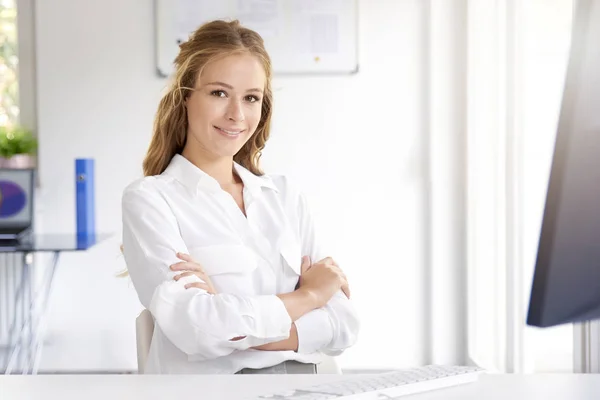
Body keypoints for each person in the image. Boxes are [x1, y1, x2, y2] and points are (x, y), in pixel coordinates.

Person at [121, 19, 360, 374]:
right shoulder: (150, 200)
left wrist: (230, 321)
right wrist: (308, 297)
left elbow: (344, 325)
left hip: (306, 388)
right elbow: (197, 330)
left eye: (251, 98)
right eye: (219, 93)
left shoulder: (285, 196)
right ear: (185, 97)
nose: (236, 114)